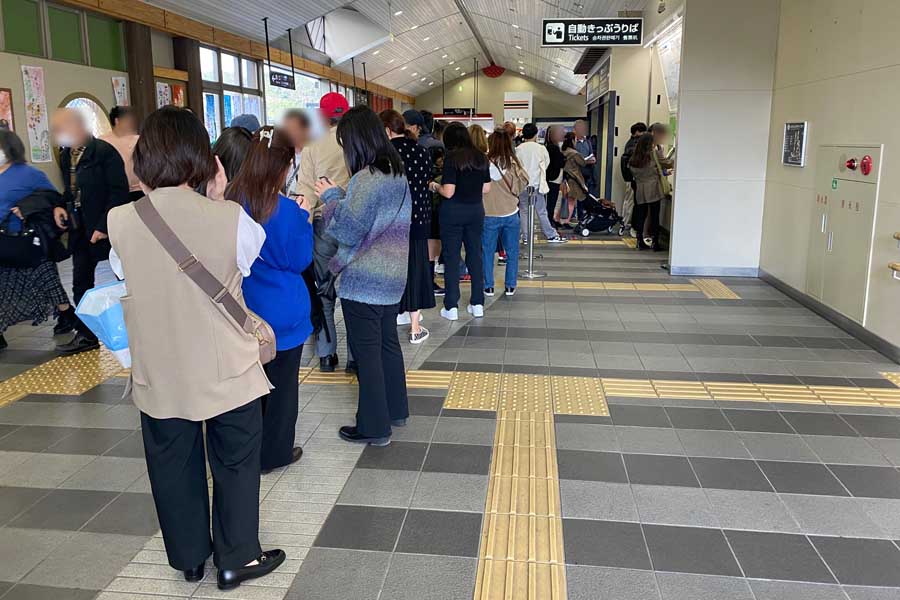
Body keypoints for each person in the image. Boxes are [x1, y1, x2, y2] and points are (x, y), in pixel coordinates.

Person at [107, 106, 284, 590]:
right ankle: (237, 558)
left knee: (172, 463)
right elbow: (243, 265)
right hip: (227, 365)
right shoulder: (231, 218)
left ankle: (188, 558)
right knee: (235, 463)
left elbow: (125, 272)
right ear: (202, 159)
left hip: (159, 369)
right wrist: (220, 197)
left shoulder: (121, 219)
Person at [314, 105, 411, 446]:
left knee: (367, 354)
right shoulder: (395, 174)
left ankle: (374, 426)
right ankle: (396, 410)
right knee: (388, 347)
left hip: (364, 282)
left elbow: (349, 231)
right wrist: (341, 196)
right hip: (392, 277)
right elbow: (372, 221)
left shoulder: (365, 179)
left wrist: (328, 198)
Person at [227, 126, 313, 473]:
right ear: (283, 166)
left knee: (247, 389)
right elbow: (300, 259)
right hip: (283, 315)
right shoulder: (286, 211)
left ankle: (243, 450)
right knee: (282, 390)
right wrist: (305, 217)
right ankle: (274, 453)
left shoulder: (229, 202)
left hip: (240, 310)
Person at [51, 108, 129, 355]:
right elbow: (70, 191)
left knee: (124, 279)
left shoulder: (104, 153)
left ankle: (137, 328)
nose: (57, 135)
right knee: (80, 283)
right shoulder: (67, 156)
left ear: (77, 126)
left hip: (105, 229)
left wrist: (103, 226)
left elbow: (119, 192)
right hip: (79, 229)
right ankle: (87, 335)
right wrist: (59, 207)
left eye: (60, 129)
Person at [296, 93, 355, 373]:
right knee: (353, 292)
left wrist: (303, 230)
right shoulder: (357, 143)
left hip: (323, 228)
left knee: (324, 293)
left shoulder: (312, 148)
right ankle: (355, 358)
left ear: (321, 116)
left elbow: (305, 194)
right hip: (355, 227)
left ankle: (327, 355)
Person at [0, 129, 72, 350]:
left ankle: (68, 316)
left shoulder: (28, 174)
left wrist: (28, 208)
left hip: (26, 241)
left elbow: (53, 198)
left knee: (47, 281)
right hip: (3, 242)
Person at [382, 109, 435, 344]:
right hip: (419, 218)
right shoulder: (421, 151)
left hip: (391, 221)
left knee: (392, 269)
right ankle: (415, 327)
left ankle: (392, 318)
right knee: (415, 269)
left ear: (386, 130)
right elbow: (426, 180)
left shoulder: (383, 154)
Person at [429, 122, 489, 321]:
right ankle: (477, 303)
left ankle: (451, 306)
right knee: (475, 255)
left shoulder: (451, 158)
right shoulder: (481, 157)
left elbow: (448, 191)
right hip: (475, 211)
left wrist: (434, 186)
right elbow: (486, 188)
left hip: (452, 213)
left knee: (452, 257)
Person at [483, 129, 527, 298]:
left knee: (487, 251)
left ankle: (488, 286)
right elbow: (523, 184)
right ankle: (510, 286)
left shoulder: (484, 164)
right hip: (511, 213)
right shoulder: (513, 164)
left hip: (489, 214)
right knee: (512, 251)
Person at [516, 123, 566, 244]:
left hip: (523, 185)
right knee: (541, 211)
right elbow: (546, 163)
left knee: (523, 211)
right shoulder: (541, 149)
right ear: (536, 134)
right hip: (537, 184)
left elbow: (516, 166)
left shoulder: (518, 149)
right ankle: (550, 235)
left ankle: (526, 236)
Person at [629, 133, 674, 251]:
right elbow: (668, 163)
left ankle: (639, 241)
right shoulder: (653, 154)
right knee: (654, 216)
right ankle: (655, 242)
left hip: (640, 189)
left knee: (641, 215)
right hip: (653, 189)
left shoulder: (635, 157)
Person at [100, 106, 142, 202]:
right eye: (128, 119)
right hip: (113, 192)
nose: (131, 123)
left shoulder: (138, 139)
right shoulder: (102, 141)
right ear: (117, 121)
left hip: (138, 190)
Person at [620, 122, 648, 237]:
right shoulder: (634, 145)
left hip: (629, 177)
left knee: (629, 200)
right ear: (637, 132)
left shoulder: (630, 143)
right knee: (631, 201)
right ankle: (626, 222)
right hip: (632, 178)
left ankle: (625, 221)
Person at [561, 132, 590, 226]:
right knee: (572, 201)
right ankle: (566, 221)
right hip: (574, 179)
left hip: (564, 178)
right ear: (573, 141)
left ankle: (561, 220)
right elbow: (583, 163)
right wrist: (589, 160)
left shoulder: (563, 151)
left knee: (565, 200)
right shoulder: (574, 153)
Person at [281, 109, 310, 196]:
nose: (289, 133)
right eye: (286, 129)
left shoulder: (314, 155)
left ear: (306, 129)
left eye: (294, 129)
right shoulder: (282, 156)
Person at [544, 125, 566, 228]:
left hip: (554, 178)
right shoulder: (553, 148)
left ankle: (551, 219)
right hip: (553, 178)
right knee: (551, 201)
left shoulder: (552, 147)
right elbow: (559, 163)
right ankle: (549, 221)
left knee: (553, 201)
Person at [573, 119, 596, 201]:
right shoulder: (573, 143)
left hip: (588, 175)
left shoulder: (588, 141)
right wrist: (585, 161)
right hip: (577, 177)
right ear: (575, 129)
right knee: (578, 199)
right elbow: (572, 159)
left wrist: (592, 159)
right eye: (581, 128)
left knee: (588, 198)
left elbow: (591, 154)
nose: (583, 130)